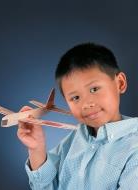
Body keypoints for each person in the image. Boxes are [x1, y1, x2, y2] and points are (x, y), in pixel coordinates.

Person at [17, 42, 138, 190]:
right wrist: (36, 148)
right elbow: (45, 186)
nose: (86, 104)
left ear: (120, 83)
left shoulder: (134, 148)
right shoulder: (73, 140)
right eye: (75, 98)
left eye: (94, 89)